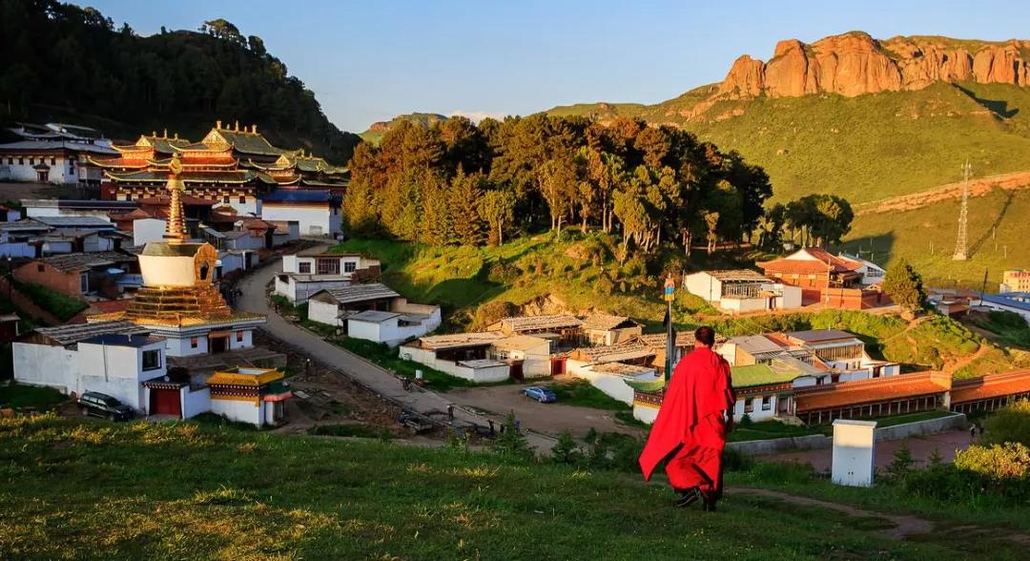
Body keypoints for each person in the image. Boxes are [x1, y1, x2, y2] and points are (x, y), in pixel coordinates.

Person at [639, 326, 735, 512]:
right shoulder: (721, 363)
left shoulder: (687, 363)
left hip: (691, 423)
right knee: (711, 462)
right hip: (713, 424)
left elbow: (675, 396)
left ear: (695, 340)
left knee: (676, 460)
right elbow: (728, 393)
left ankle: (691, 488)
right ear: (713, 342)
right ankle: (710, 502)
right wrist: (730, 417)